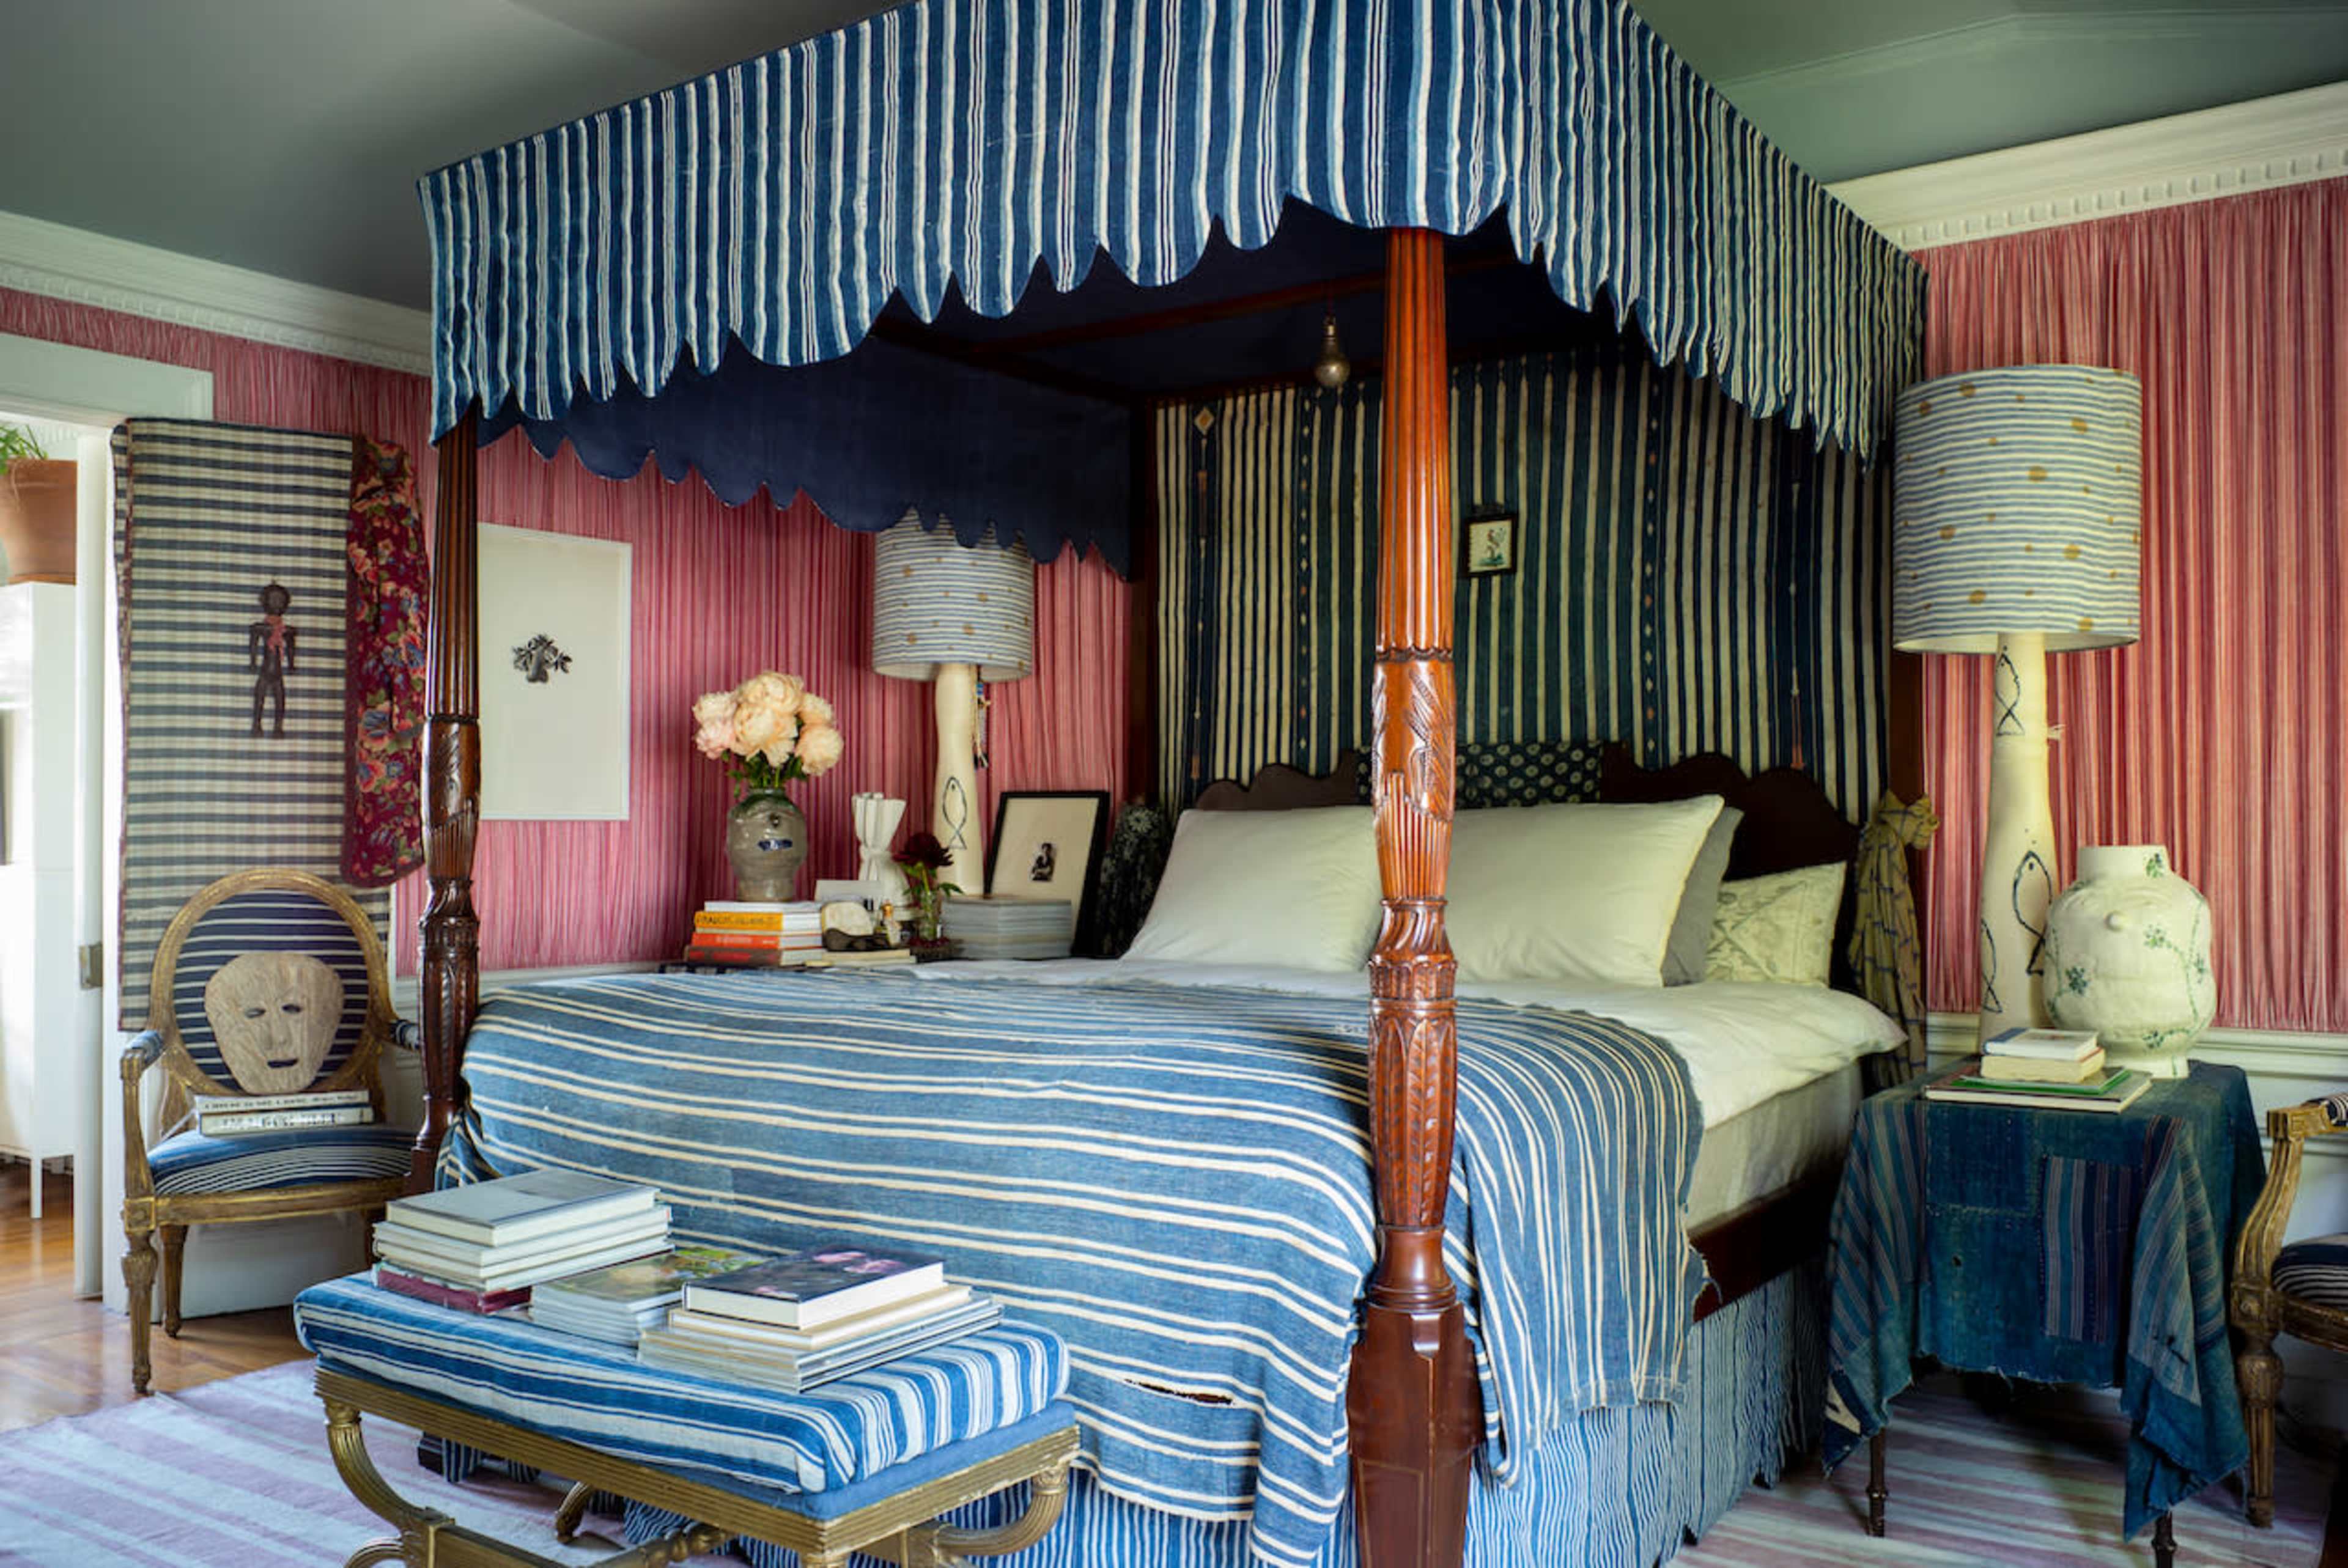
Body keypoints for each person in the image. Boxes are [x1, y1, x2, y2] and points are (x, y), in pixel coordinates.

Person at [248, 581, 297, 737]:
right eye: (273, 600)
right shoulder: (261, 628)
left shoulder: (286, 631)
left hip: (277, 674)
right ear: (265, 602)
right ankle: (257, 725)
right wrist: (253, 662)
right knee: (259, 699)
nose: (277, 604)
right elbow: (253, 644)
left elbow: (291, 647)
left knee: (280, 700)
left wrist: (291, 664)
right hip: (264, 672)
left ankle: (278, 727)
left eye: (280, 601)